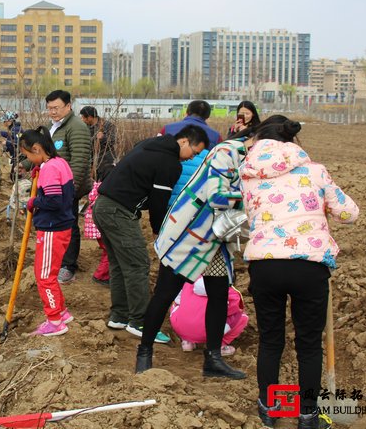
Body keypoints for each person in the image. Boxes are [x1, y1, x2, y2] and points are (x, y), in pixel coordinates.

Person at [136, 120, 290, 378]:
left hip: (216, 240)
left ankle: (213, 358)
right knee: (165, 292)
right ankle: (144, 352)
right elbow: (218, 197)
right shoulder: (226, 152)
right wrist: (256, 197)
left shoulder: (256, 160)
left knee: (218, 295)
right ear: (259, 137)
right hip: (190, 234)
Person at [241, 120, 358, 429]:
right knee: (308, 343)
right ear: (293, 140)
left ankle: (268, 407)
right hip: (309, 264)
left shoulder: (248, 173)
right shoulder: (315, 171)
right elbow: (349, 213)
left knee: (270, 339)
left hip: (264, 264)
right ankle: (308, 415)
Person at [93, 125, 209, 344]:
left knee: (119, 264)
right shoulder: (169, 163)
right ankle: (139, 321)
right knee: (138, 264)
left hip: (102, 206)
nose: (190, 158)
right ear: (183, 142)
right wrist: (161, 232)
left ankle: (120, 315)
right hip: (119, 211)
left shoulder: (150, 144)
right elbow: (159, 203)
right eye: (193, 152)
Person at [20, 127, 76, 336]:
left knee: (44, 276)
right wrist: (39, 170)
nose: (28, 159)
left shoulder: (50, 168)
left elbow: (53, 200)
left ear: (36, 148)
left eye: (27, 155)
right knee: (49, 273)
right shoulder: (58, 163)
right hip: (61, 226)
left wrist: (33, 201)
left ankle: (54, 321)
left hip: (52, 228)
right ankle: (61, 312)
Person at [44, 90, 93, 283]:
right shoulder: (53, 126)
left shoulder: (77, 127)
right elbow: (45, 152)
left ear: (68, 106)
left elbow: (80, 162)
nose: (52, 112)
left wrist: (69, 189)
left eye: (56, 108)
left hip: (67, 188)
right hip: (53, 187)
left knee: (69, 225)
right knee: (55, 224)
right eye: (49, 108)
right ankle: (58, 260)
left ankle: (68, 266)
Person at [170, 277, 248, 355]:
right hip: (208, 331)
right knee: (241, 316)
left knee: (177, 304)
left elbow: (178, 299)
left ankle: (187, 341)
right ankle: (219, 346)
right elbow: (233, 309)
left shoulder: (190, 280)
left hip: (182, 328)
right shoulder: (227, 289)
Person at [82, 181, 110, 287]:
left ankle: (104, 274)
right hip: (100, 226)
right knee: (110, 251)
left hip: (95, 226)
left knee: (106, 250)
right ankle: (101, 275)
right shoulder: (105, 190)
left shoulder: (96, 187)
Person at [80, 106, 117, 181]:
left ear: (90, 117)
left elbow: (114, 140)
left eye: (84, 117)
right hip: (90, 161)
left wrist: (103, 137)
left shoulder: (107, 125)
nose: (82, 120)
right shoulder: (84, 127)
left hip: (105, 160)